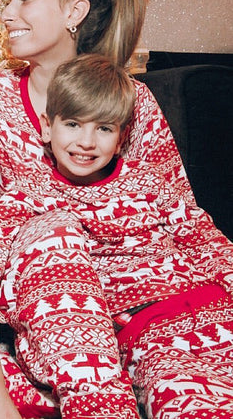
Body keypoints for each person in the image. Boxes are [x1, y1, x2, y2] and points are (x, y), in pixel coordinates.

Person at [0, 0, 198, 419]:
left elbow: (180, 214)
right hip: (47, 295)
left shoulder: (132, 100)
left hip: (139, 302)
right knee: (53, 229)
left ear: (73, 12)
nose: (6, 14)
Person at [36, 54, 233, 418]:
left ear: (122, 136)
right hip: (150, 335)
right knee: (188, 403)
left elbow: (202, 235)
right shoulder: (32, 195)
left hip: (212, 301)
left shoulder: (148, 179)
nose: (87, 142)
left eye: (104, 129)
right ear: (47, 127)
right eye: (74, 124)